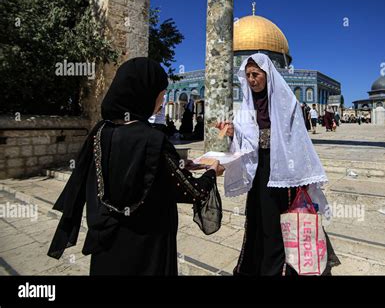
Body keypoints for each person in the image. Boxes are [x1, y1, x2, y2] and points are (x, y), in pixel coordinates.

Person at [47, 57, 225, 275]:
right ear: (145, 94)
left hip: (108, 243)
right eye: (160, 93)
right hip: (146, 247)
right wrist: (211, 171)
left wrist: (178, 165)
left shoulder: (100, 132)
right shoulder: (153, 140)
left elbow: (128, 171)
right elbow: (193, 192)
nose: (162, 99)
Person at [215, 53, 340, 276]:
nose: (252, 80)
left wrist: (300, 174)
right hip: (260, 171)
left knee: (277, 222)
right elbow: (247, 138)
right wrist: (234, 132)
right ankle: (258, 267)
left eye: (256, 75)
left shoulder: (285, 101)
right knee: (259, 220)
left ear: (267, 74)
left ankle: (278, 270)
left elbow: (296, 138)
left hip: (283, 173)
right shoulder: (248, 103)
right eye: (248, 75)